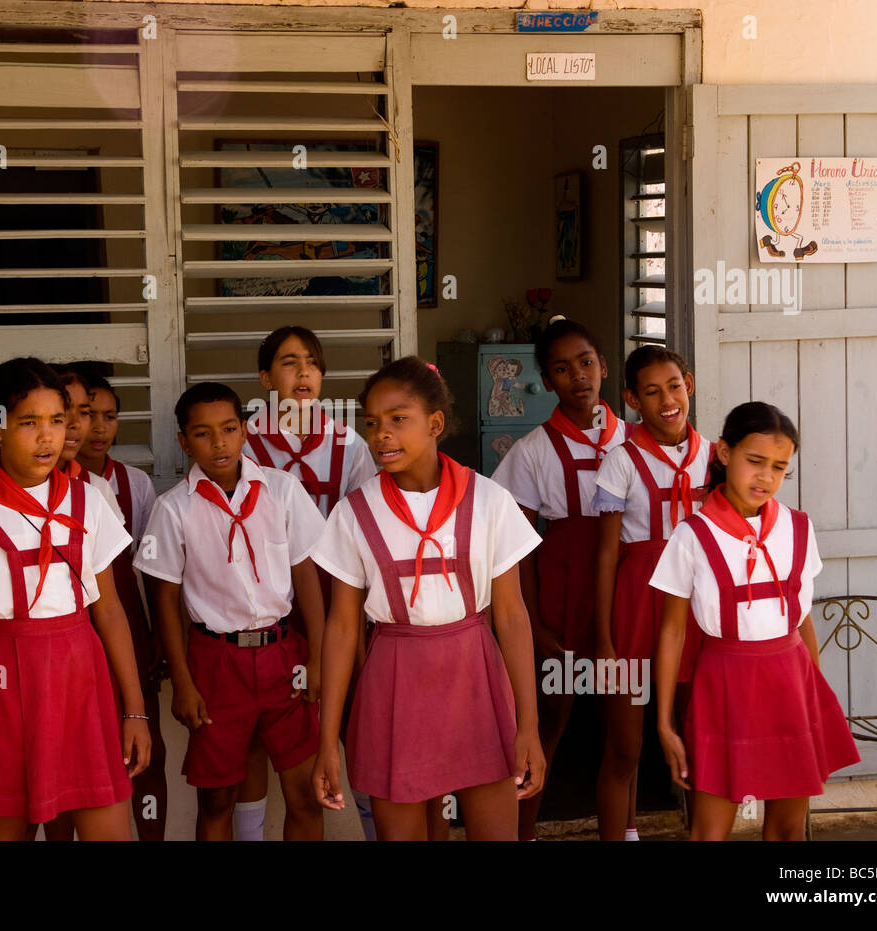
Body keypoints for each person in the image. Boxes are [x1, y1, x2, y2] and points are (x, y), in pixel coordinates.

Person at [0, 357, 151, 840]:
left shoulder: (88, 502)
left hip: (83, 686)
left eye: (57, 421)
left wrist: (135, 710)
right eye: (29, 423)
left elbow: (108, 610)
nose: (47, 437)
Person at [311, 356, 545, 840]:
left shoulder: (488, 500)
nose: (381, 435)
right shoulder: (355, 514)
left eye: (399, 419)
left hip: (475, 674)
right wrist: (327, 742)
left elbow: (512, 616)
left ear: (435, 424)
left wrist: (529, 726)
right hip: (394, 682)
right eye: (372, 423)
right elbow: (341, 629)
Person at [651, 401, 860, 840]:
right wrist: (665, 722)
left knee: (786, 829)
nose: (766, 476)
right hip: (723, 683)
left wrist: (814, 697)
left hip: (791, 681)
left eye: (780, 467)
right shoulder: (693, 535)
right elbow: (671, 632)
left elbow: (801, 619)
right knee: (709, 830)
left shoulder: (798, 527)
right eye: (755, 461)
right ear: (725, 454)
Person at [134, 382, 327, 840]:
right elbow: (165, 599)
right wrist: (182, 680)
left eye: (227, 429)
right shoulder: (172, 508)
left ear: (244, 431)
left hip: (284, 656)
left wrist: (319, 658)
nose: (218, 443)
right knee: (217, 798)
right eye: (202, 434)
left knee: (304, 792)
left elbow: (307, 579)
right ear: (183, 441)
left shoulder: (282, 491)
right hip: (216, 663)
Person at [491, 319, 631, 840]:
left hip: (624, 591)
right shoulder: (530, 451)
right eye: (561, 368)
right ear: (546, 382)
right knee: (547, 723)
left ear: (604, 366)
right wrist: (533, 624)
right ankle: (523, 830)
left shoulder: (634, 440)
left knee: (624, 728)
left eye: (586, 362)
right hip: (560, 597)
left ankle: (627, 828)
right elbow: (516, 548)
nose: (578, 376)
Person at [237, 325, 379, 840]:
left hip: (341, 596)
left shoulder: (349, 443)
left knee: (356, 724)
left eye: (313, 363)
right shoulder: (243, 441)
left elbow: (369, 528)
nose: (303, 373)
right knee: (261, 730)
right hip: (270, 601)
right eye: (289, 362)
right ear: (265, 377)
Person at [591, 346, 711, 841]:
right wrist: (602, 637)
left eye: (674, 387)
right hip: (637, 605)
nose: (667, 400)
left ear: (690, 383)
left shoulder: (716, 456)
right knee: (625, 747)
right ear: (631, 399)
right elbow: (605, 554)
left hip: (699, 607)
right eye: (652, 391)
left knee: (700, 738)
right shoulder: (620, 462)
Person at [72, 368, 168, 842]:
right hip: (73, 636)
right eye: (86, 415)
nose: (98, 427)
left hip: (126, 626)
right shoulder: (53, 486)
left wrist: (157, 641)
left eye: (109, 416)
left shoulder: (134, 484)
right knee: (78, 759)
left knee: (146, 749)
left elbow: (148, 574)